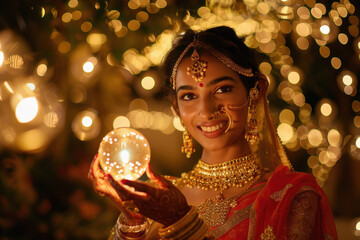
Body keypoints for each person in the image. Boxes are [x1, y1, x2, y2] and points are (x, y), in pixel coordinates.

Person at [88, 26, 338, 240]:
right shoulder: (161, 199)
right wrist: (132, 219)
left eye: (222, 89)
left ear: (256, 90)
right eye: (188, 96)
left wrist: (181, 222)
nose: (205, 111)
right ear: (176, 107)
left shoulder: (292, 196)